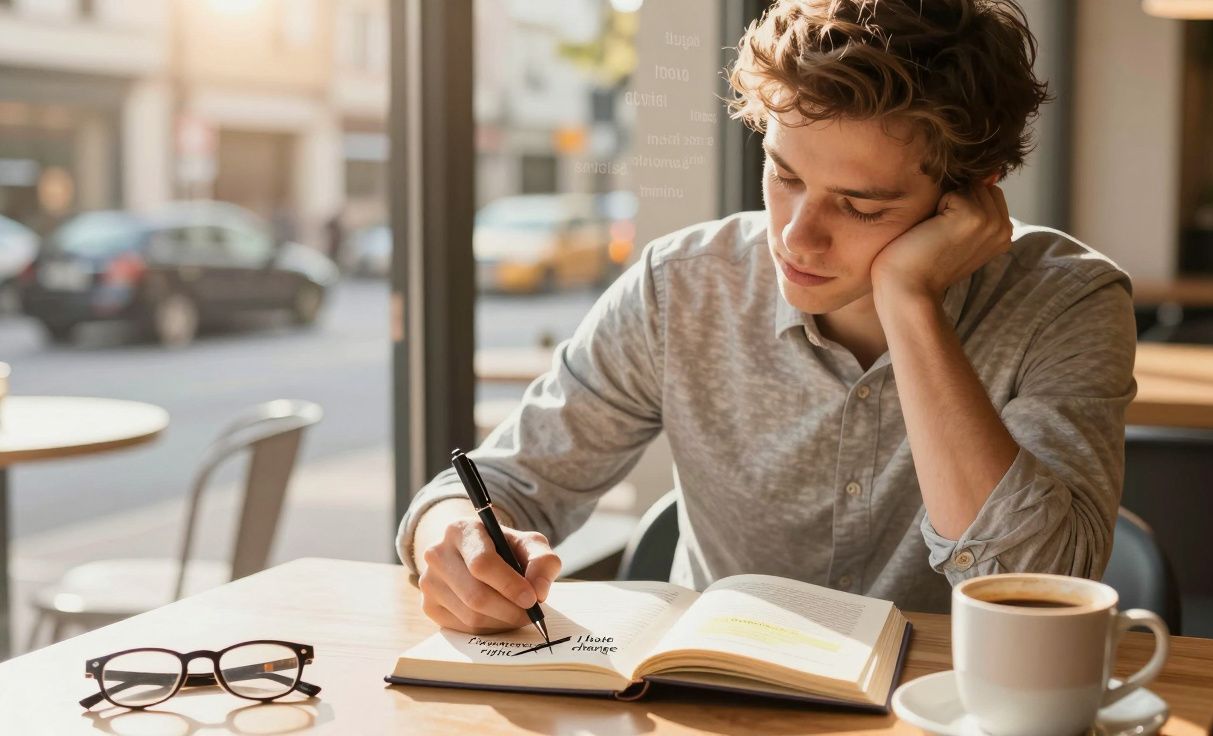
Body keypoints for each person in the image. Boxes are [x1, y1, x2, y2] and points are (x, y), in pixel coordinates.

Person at [397, 0, 1136, 634]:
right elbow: (504, 483)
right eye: (783, 175)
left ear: (971, 197)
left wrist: (910, 303)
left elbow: (1038, 586)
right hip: (713, 706)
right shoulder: (681, 286)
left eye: (860, 205)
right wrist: (450, 534)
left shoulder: (1068, 302)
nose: (795, 235)